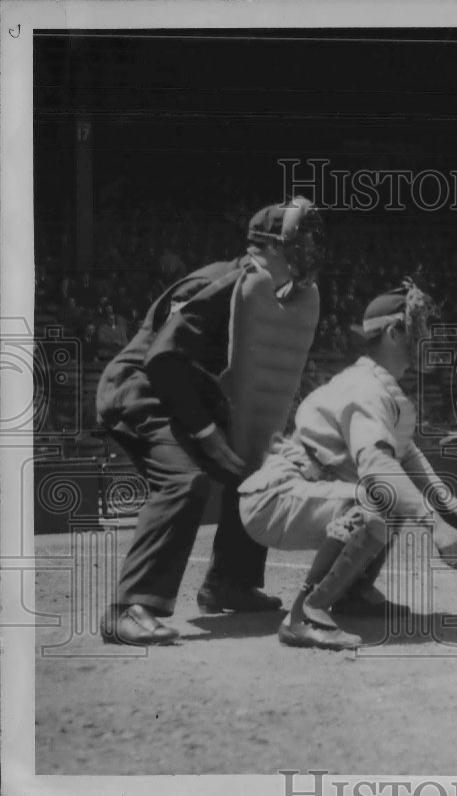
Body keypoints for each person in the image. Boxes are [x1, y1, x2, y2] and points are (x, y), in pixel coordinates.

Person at [95, 196, 324, 645]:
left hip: (185, 396)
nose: (312, 247)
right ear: (272, 246)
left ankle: (229, 583)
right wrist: (205, 431)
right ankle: (128, 608)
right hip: (138, 389)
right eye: (303, 238)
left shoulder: (269, 296)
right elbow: (163, 360)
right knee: (186, 478)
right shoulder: (226, 281)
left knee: (252, 471)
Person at [237, 279, 457, 650]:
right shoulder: (365, 389)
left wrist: (444, 500)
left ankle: (351, 592)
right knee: (377, 497)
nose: (428, 336)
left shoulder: (381, 386)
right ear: (394, 333)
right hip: (278, 495)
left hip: (309, 488)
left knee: (394, 495)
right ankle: (303, 614)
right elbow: (379, 467)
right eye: (419, 326)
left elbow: (404, 455)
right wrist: (434, 523)